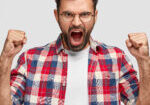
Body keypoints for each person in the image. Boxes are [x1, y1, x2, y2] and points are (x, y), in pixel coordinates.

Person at [0, 0, 150, 105]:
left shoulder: (116, 59)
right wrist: (5, 59)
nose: (76, 22)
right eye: (68, 14)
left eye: (84, 14)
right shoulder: (30, 59)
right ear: (56, 15)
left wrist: (144, 61)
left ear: (95, 16)